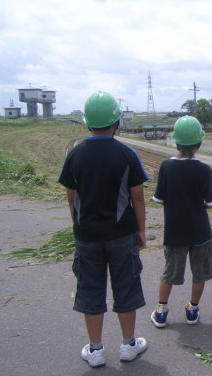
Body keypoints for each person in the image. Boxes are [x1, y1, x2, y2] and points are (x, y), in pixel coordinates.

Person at [58, 91, 148, 368]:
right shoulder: (126, 154)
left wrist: (78, 225)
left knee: (91, 290)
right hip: (122, 234)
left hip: (87, 236)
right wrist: (141, 231)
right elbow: (138, 197)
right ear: (116, 122)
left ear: (88, 122)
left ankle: (95, 350)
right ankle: (129, 345)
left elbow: (72, 197)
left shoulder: (75, 154)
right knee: (126, 286)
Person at [150, 116, 212, 328]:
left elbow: (159, 199)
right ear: (199, 143)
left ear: (175, 141)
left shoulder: (166, 167)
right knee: (199, 273)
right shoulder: (204, 169)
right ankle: (192, 310)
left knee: (170, 272)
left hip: (175, 231)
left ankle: (161, 312)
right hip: (200, 231)